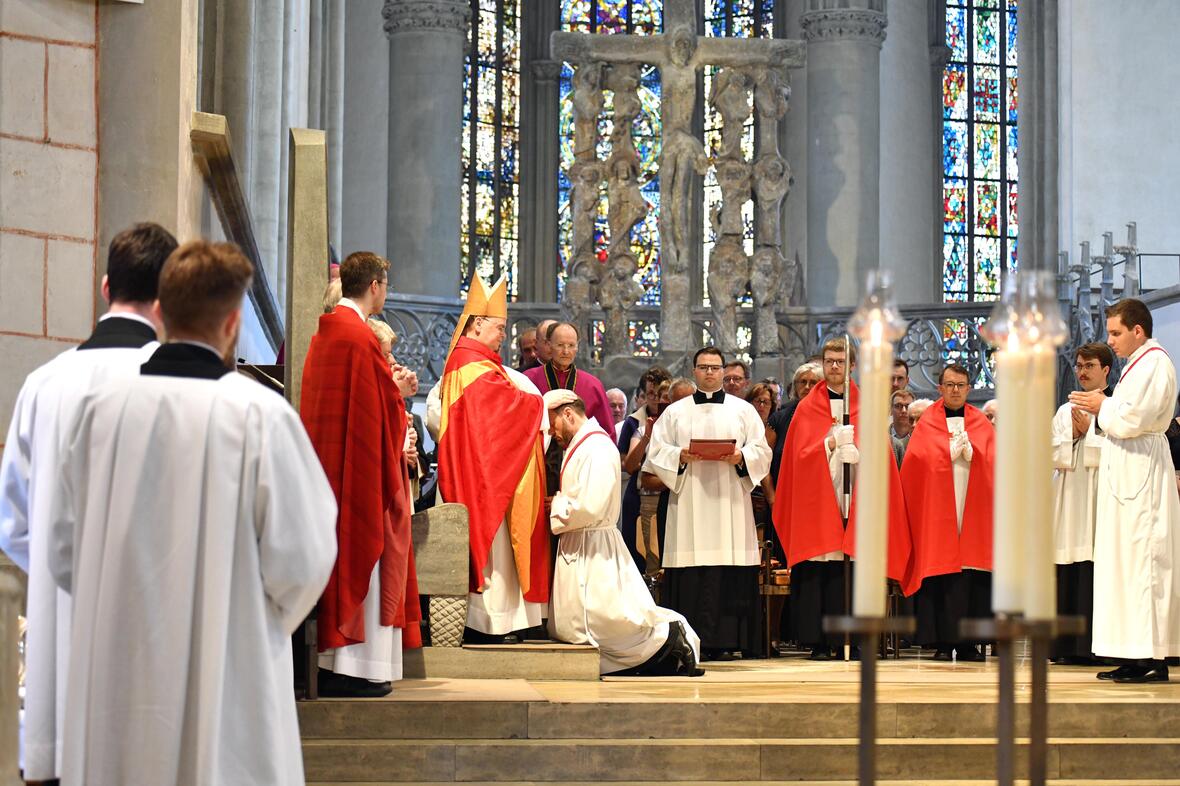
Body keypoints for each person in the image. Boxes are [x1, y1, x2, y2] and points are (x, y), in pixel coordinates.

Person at [48, 240, 337, 785]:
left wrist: (114, 608)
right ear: (232, 323)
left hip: (118, 670)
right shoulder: (259, 417)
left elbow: (62, 546)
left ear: (160, 310)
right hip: (229, 670)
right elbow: (305, 557)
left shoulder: (97, 412)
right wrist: (247, 622)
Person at [0, 222, 176, 783]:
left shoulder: (44, 384)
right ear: (168, 295)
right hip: (155, 637)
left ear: (105, 288)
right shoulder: (184, 388)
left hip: (62, 632)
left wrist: (61, 582)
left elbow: (13, 523)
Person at [301, 251, 414, 697]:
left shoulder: (327, 333)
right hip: (358, 470)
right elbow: (376, 414)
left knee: (339, 561)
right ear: (375, 287)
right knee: (362, 558)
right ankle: (357, 669)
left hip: (328, 467)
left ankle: (335, 663)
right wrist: (399, 393)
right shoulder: (360, 338)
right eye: (386, 285)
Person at [544, 389, 702, 676]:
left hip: (593, 543)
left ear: (567, 414)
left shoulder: (598, 447)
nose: (551, 433)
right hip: (579, 540)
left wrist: (556, 504)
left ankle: (669, 636)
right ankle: (664, 656)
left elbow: (592, 505)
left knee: (606, 620)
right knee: (578, 624)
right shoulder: (581, 445)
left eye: (551, 424)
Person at [774, 339, 911, 660]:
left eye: (840, 361)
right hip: (819, 502)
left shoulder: (867, 405)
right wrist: (829, 445)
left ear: (851, 365)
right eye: (829, 361)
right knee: (820, 570)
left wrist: (861, 454)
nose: (833, 367)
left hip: (857, 500)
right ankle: (821, 641)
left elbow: (882, 458)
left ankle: (857, 638)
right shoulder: (808, 407)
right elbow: (797, 458)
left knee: (856, 570)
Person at [432, 275, 550, 644]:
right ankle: (490, 623)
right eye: (499, 327)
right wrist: (537, 404)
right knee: (493, 555)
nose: (504, 334)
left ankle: (495, 621)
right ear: (477, 324)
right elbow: (499, 411)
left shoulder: (476, 361)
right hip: (482, 478)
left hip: (484, 468)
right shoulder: (470, 362)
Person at [1069, 298, 1180, 683]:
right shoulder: (1137, 364)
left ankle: (1153, 657)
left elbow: (1135, 418)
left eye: (1116, 333)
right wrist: (1104, 406)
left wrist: (1103, 405)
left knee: (1144, 565)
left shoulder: (1156, 363)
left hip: (1143, 470)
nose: (1110, 340)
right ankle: (1132, 653)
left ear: (1138, 330)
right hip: (1126, 470)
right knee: (1124, 565)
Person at [645, 347, 771, 660]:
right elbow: (656, 453)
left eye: (715, 367)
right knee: (692, 572)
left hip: (730, 503)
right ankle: (689, 639)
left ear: (723, 371)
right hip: (690, 504)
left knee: (728, 571)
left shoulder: (743, 410)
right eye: (704, 367)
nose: (710, 373)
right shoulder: (675, 412)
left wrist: (742, 456)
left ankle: (731, 641)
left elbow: (763, 451)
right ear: (694, 371)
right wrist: (680, 456)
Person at [900, 364, 994, 661]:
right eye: (950, 385)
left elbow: (996, 463)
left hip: (972, 506)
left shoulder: (980, 423)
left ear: (969, 388)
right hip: (937, 510)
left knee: (971, 573)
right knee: (941, 571)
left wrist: (975, 456)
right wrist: (944, 456)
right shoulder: (927, 422)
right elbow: (915, 462)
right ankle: (940, 641)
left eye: (961, 385)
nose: (955, 390)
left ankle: (969, 643)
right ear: (940, 388)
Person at [1050, 342, 1115, 664]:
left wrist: (1090, 431)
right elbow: (1051, 454)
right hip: (1071, 500)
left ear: (1105, 369)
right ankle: (1065, 647)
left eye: (1089, 366)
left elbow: (1122, 452)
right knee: (1070, 569)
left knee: (1098, 569)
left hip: (1102, 497)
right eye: (1078, 366)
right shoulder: (1066, 408)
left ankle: (1098, 647)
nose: (1082, 372)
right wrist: (1074, 438)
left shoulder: (1115, 407)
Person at [524, 321, 615, 497]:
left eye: (571, 346)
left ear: (577, 347)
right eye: (560, 345)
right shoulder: (528, 380)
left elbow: (606, 436)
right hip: (538, 468)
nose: (566, 351)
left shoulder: (593, 385)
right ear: (548, 345)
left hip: (581, 471)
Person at [617, 366, 673, 571]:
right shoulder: (637, 425)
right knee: (643, 554)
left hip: (671, 496)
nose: (659, 401)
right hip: (642, 494)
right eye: (652, 394)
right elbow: (628, 464)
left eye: (665, 396)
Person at [766, 361, 822, 488]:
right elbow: (764, 462)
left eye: (813, 382)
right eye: (802, 382)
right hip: (782, 490)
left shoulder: (830, 417)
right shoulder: (779, 418)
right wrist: (771, 498)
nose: (807, 387)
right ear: (795, 386)